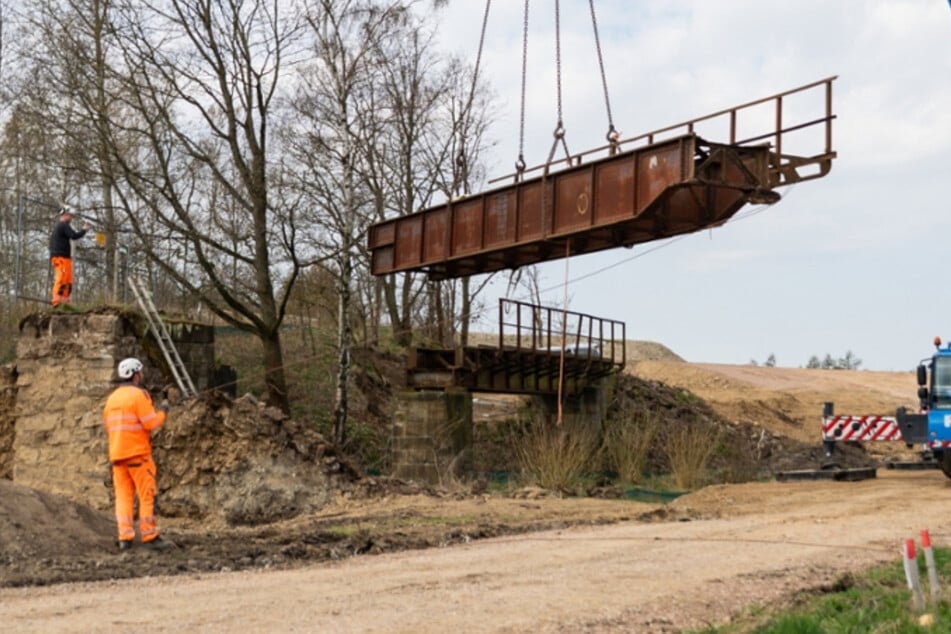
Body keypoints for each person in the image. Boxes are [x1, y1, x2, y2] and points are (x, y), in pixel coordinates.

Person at [103, 357, 173, 551]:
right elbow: (151, 423)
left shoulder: (112, 398)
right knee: (146, 495)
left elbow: (109, 426)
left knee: (123, 498)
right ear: (135, 374)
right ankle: (149, 535)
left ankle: (124, 538)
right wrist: (163, 411)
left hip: (117, 456)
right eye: (140, 372)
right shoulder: (139, 396)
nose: (142, 375)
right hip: (138, 456)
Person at [48, 206, 90, 307]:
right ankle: (57, 301)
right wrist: (84, 230)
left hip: (64, 257)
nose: (71, 218)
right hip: (60, 257)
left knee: (67, 279)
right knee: (61, 278)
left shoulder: (60, 226)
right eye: (70, 216)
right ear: (65, 215)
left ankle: (64, 301)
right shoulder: (63, 225)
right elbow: (73, 236)